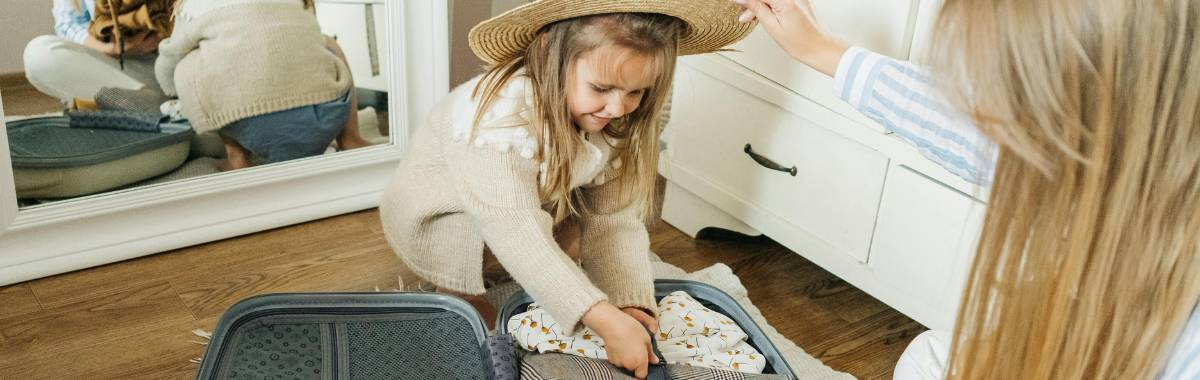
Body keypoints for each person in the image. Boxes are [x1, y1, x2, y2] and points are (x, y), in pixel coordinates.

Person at [730, 0, 1200, 378]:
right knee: (928, 357)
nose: (993, 116)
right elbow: (964, 126)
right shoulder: (1106, 154)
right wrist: (824, 52)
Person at [376, 1, 753, 378]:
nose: (618, 107)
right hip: (445, 211)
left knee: (589, 239)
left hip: (536, 198)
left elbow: (614, 219)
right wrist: (598, 315)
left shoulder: (613, 116)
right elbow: (515, 227)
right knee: (492, 263)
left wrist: (627, 302)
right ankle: (459, 290)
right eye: (601, 87)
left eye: (637, 92)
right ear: (547, 53)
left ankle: (565, 280)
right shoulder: (498, 115)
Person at [155, 0, 371, 171]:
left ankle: (237, 159)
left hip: (255, 128)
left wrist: (169, 87)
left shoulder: (193, 6)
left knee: (189, 62)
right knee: (327, 43)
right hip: (326, 118)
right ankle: (350, 138)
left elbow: (170, 59)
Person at [24, 0, 165, 104]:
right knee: (39, 55)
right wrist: (112, 50)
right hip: (112, 62)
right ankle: (146, 104)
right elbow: (68, 24)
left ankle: (140, 106)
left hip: (165, 62)